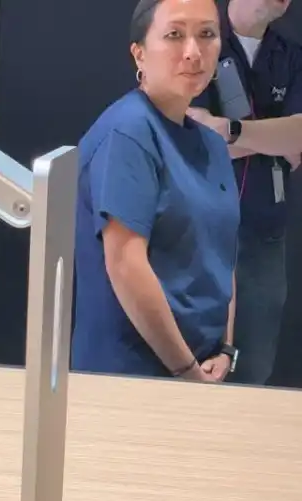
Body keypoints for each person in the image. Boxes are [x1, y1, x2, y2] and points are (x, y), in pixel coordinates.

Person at [71, 0, 241, 382]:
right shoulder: (128, 132)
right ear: (139, 54)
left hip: (201, 369)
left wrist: (224, 348)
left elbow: (222, 255)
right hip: (132, 375)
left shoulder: (212, 146)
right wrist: (187, 371)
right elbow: (126, 264)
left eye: (207, 34)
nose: (193, 51)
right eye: (174, 35)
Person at [187, 0, 302, 386]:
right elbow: (192, 135)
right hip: (198, 231)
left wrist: (230, 131)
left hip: (264, 232)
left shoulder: (291, 56)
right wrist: (274, 138)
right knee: (191, 358)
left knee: (253, 365)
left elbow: (299, 140)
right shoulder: (198, 41)